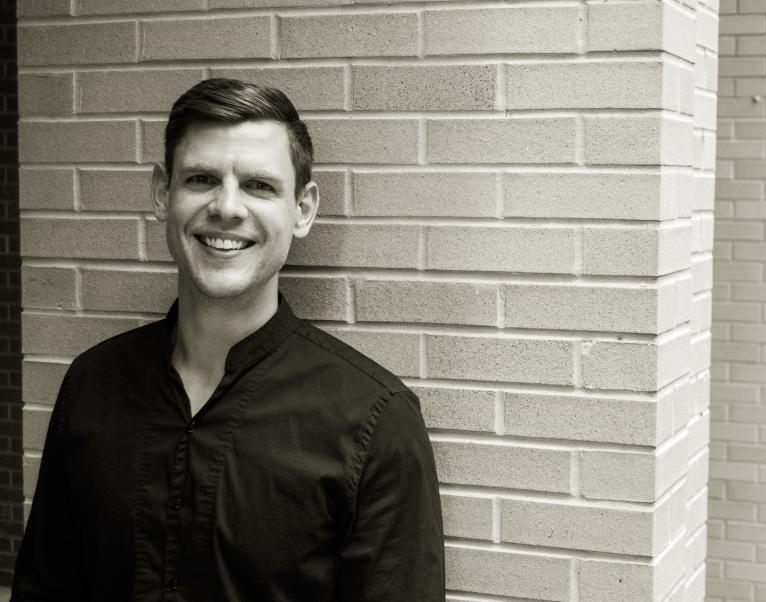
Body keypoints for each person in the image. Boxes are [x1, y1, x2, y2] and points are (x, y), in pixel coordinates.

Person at [12, 78, 445, 601]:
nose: (227, 207)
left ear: (303, 209)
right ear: (160, 193)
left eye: (260, 186)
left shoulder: (375, 421)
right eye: (200, 178)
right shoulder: (92, 383)